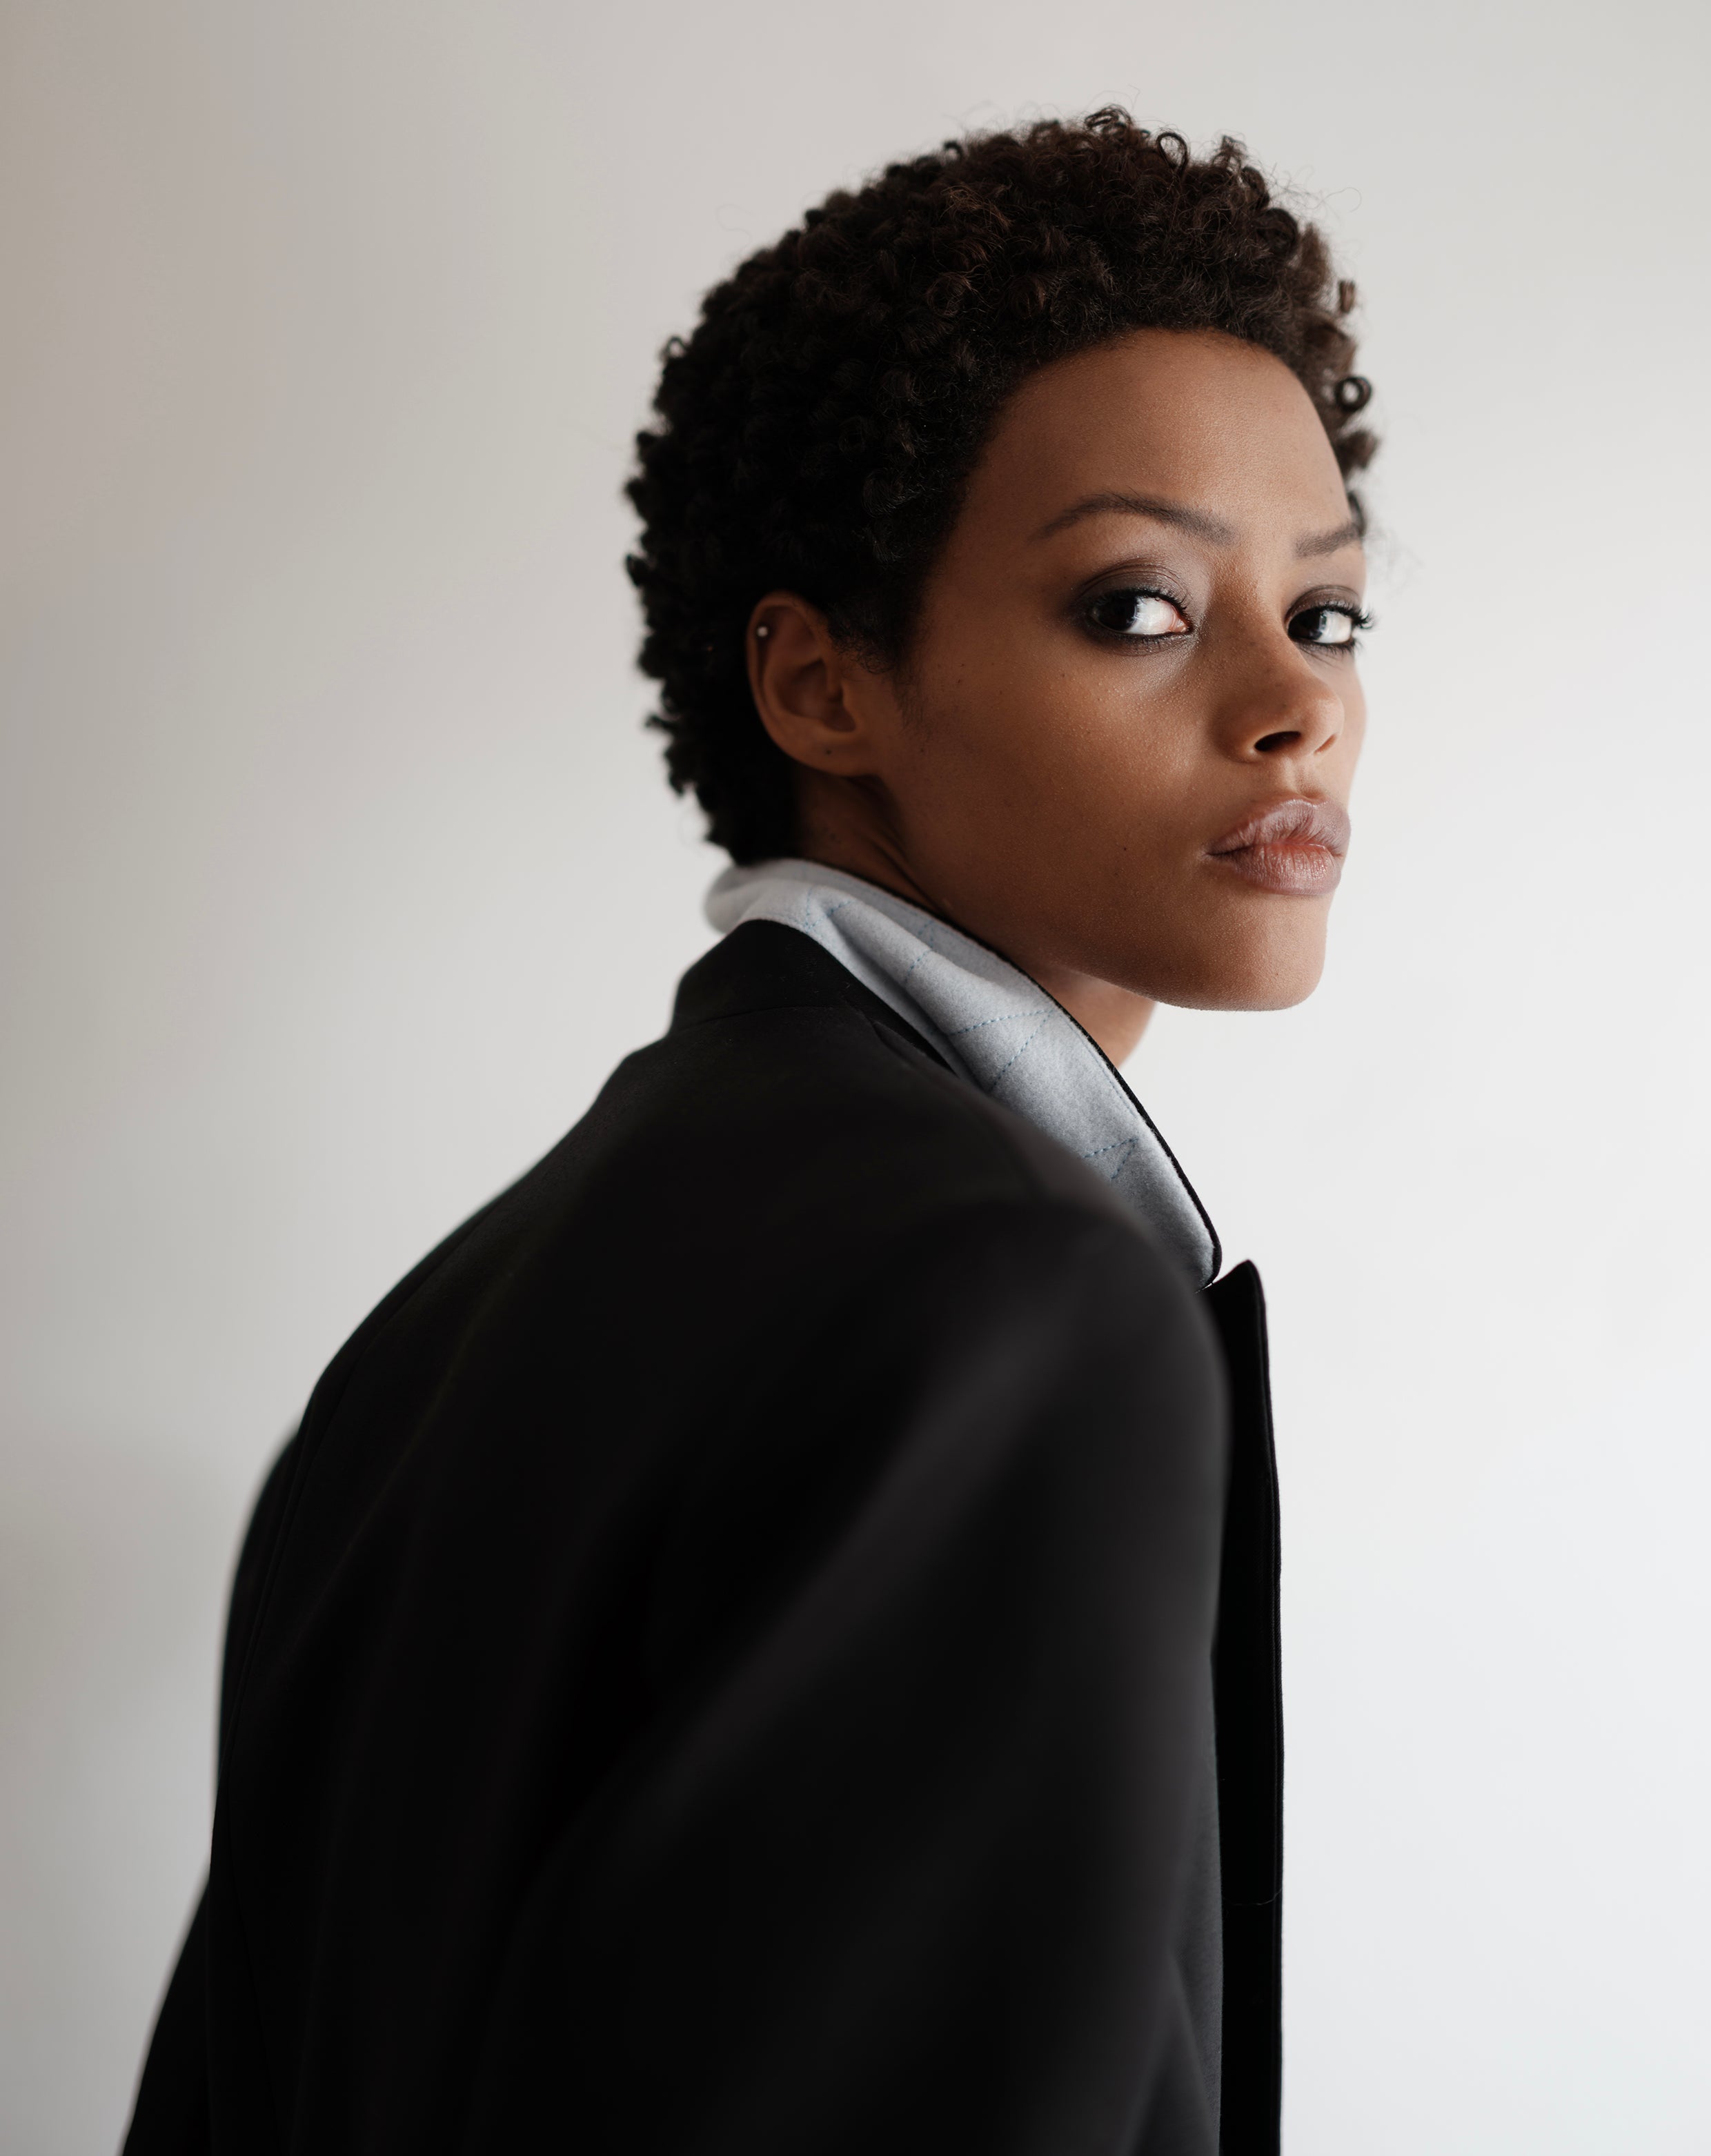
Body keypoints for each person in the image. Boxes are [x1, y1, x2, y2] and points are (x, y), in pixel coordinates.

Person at [125, 108, 1375, 2156]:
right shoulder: (1011, 1307)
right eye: (1137, 608)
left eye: (1325, 617)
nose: (1289, 707)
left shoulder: (441, 1325)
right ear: (816, 685)